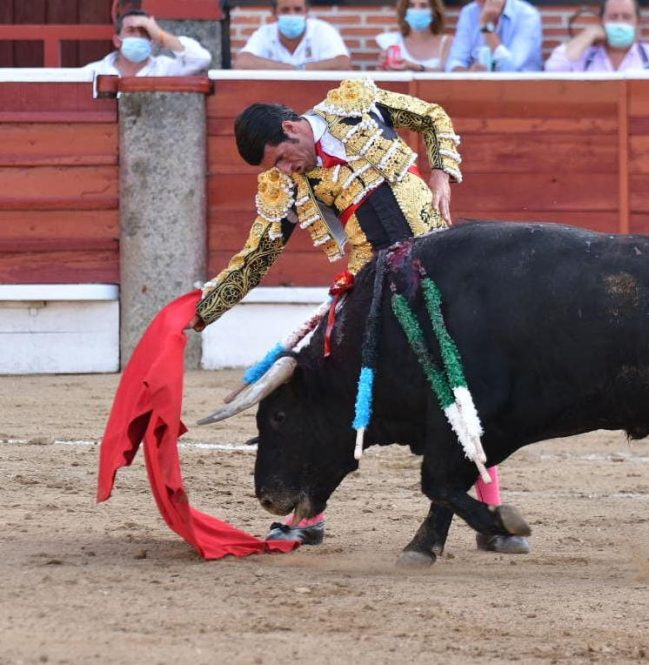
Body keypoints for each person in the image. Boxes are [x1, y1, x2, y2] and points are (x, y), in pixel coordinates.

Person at [189, 78, 528, 555]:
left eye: (283, 157)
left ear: (292, 127)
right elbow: (255, 259)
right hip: (373, 285)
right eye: (277, 167)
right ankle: (306, 515)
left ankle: (492, 518)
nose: (285, 170)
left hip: (444, 271)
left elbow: (432, 116)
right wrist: (200, 313)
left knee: (460, 385)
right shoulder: (285, 185)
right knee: (325, 391)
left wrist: (441, 174)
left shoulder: (353, 107)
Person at [544, 0, 649, 72]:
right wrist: (588, 35)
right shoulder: (584, 56)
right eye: (613, 17)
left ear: (637, 22)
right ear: (602, 21)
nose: (619, 23)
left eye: (626, 17)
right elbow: (553, 70)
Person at [82, 9, 212, 77]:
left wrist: (160, 35)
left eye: (145, 31)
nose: (138, 36)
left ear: (152, 41)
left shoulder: (165, 69)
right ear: (117, 41)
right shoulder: (94, 71)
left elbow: (201, 59)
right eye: (131, 31)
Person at [235, 0, 351, 71]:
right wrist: (292, 69)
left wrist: (301, 69)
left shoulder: (322, 30)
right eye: (285, 10)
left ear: (306, 12)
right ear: (274, 13)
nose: (292, 14)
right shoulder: (265, 33)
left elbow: (343, 63)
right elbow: (243, 62)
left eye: (297, 9)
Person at [446, 0, 542, 72]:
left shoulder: (527, 15)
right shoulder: (469, 12)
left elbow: (511, 69)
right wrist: (468, 74)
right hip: (477, 90)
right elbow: (455, 61)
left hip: (520, 92)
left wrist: (486, 26)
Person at [375, 0, 453, 72]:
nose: (417, 10)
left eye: (423, 6)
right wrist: (382, 69)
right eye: (411, 6)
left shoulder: (447, 42)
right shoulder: (392, 41)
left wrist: (414, 67)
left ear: (434, 11)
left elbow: (446, 75)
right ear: (404, 11)